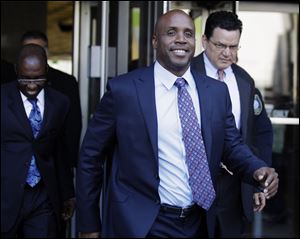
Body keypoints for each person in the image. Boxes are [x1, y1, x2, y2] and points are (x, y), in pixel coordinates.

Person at [76, 9, 278, 238]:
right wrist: (89, 223)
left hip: (199, 222)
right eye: (171, 32)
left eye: (188, 33)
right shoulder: (124, 91)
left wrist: (257, 169)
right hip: (143, 224)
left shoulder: (215, 92)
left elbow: (231, 146)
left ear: (195, 42)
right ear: (155, 40)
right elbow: (90, 157)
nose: (181, 39)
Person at [191, 11, 273, 237]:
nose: (227, 53)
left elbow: (260, 134)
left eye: (234, 46)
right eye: (220, 45)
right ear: (205, 41)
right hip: (192, 188)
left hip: (235, 188)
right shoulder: (185, 73)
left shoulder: (244, 81)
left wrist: (258, 182)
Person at [1, 44, 75, 237]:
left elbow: (60, 151)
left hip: (43, 196)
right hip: (6, 194)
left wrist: (68, 193)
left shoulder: (60, 102)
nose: (32, 85)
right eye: (25, 79)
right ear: (16, 70)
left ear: (47, 71)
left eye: (38, 78)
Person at [20, 30, 82, 170]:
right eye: (28, 50)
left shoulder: (66, 82)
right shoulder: (10, 83)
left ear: (46, 53)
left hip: (55, 163)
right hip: (16, 167)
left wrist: (70, 163)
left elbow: (73, 125)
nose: (32, 55)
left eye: (38, 51)